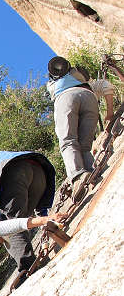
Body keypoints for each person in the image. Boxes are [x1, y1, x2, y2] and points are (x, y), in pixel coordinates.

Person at [46, 56, 115, 202]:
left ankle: (78, 176)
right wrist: (110, 114)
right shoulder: (86, 84)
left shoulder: (54, 85)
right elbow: (107, 86)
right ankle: (91, 173)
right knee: (85, 146)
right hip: (89, 98)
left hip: (65, 98)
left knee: (68, 141)